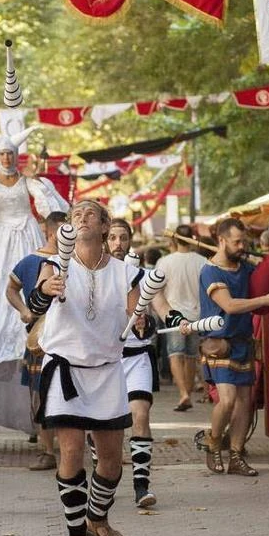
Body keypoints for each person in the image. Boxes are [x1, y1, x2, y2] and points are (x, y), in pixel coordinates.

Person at [30, 200, 141, 536]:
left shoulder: (126, 272)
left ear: (106, 226)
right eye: (76, 215)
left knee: (110, 461)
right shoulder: (54, 265)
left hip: (108, 371)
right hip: (66, 370)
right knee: (72, 453)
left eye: (90, 214)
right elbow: (34, 304)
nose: (81, 218)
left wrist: (153, 321)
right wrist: (45, 291)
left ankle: (97, 518)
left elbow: (141, 313)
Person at [0, 126, 69, 440]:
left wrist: (41, 189)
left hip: (28, 237)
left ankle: (37, 414)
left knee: (36, 280)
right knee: (1, 304)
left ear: (17, 155)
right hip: (0, 238)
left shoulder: (27, 181)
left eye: (11, 152)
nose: (7, 157)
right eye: (2, 153)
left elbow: (51, 209)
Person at [194, 218, 269, 477]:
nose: (241, 246)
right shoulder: (210, 271)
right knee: (227, 401)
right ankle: (214, 442)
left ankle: (236, 455)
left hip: (243, 342)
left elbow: (259, 291)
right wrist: (265, 298)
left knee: (245, 403)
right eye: (236, 242)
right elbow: (230, 305)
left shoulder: (244, 267)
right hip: (219, 344)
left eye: (243, 241)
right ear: (221, 240)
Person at [5, 211, 67, 471]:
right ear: (51, 233)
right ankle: (47, 450)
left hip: (69, 338)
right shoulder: (31, 261)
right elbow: (10, 288)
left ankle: (70, 450)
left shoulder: (76, 260)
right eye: (65, 231)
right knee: (39, 394)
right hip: (39, 338)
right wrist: (23, 309)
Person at [107, 218, 161, 508]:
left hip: (137, 357)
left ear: (130, 241)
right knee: (102, 428)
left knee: (140, 416)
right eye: (112, 238)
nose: (118, 244)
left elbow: (159, 307)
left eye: (123, 238)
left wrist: (149, 320)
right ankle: (106, 483)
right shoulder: (96, 275)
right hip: (105, 361)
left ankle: (142, 485)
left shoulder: (144, 276)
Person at [153, 225, 208, 412]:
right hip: (196, 315)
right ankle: (189, 393)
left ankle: (183, 393)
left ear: (175, 240)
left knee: (175, 354)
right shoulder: (202, 262)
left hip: (173, 316)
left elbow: (157, 289)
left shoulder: (164, 262)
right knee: (191, 356)